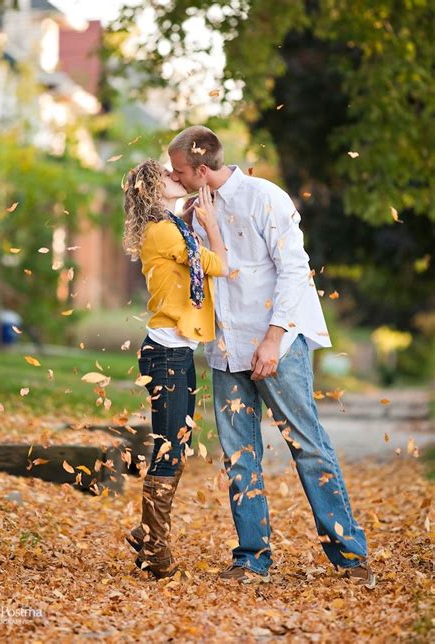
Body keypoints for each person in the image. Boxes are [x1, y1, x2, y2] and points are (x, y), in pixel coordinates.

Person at [168, 126, 376, 589]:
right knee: (240, 457)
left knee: (307, 445)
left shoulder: (266, 198)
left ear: (202, 169)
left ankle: (349, 555)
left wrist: (273, 338)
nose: (175, 177)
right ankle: (252, 558)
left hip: (276, 345)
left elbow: (295, 270)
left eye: (180, 171)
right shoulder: (196, 209)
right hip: (225, 350)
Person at [122, 159, 228, 578]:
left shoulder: (169, 225)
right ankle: (156, 551)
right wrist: (213, 225)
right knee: (169, 449)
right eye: (167, 176)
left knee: (175, 445)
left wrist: (193, 218)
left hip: (175, 353)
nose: (176, 176)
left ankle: (147, 531)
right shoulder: (165, 231)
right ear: (152, 190)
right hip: (166, 353)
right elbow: (217, 265)